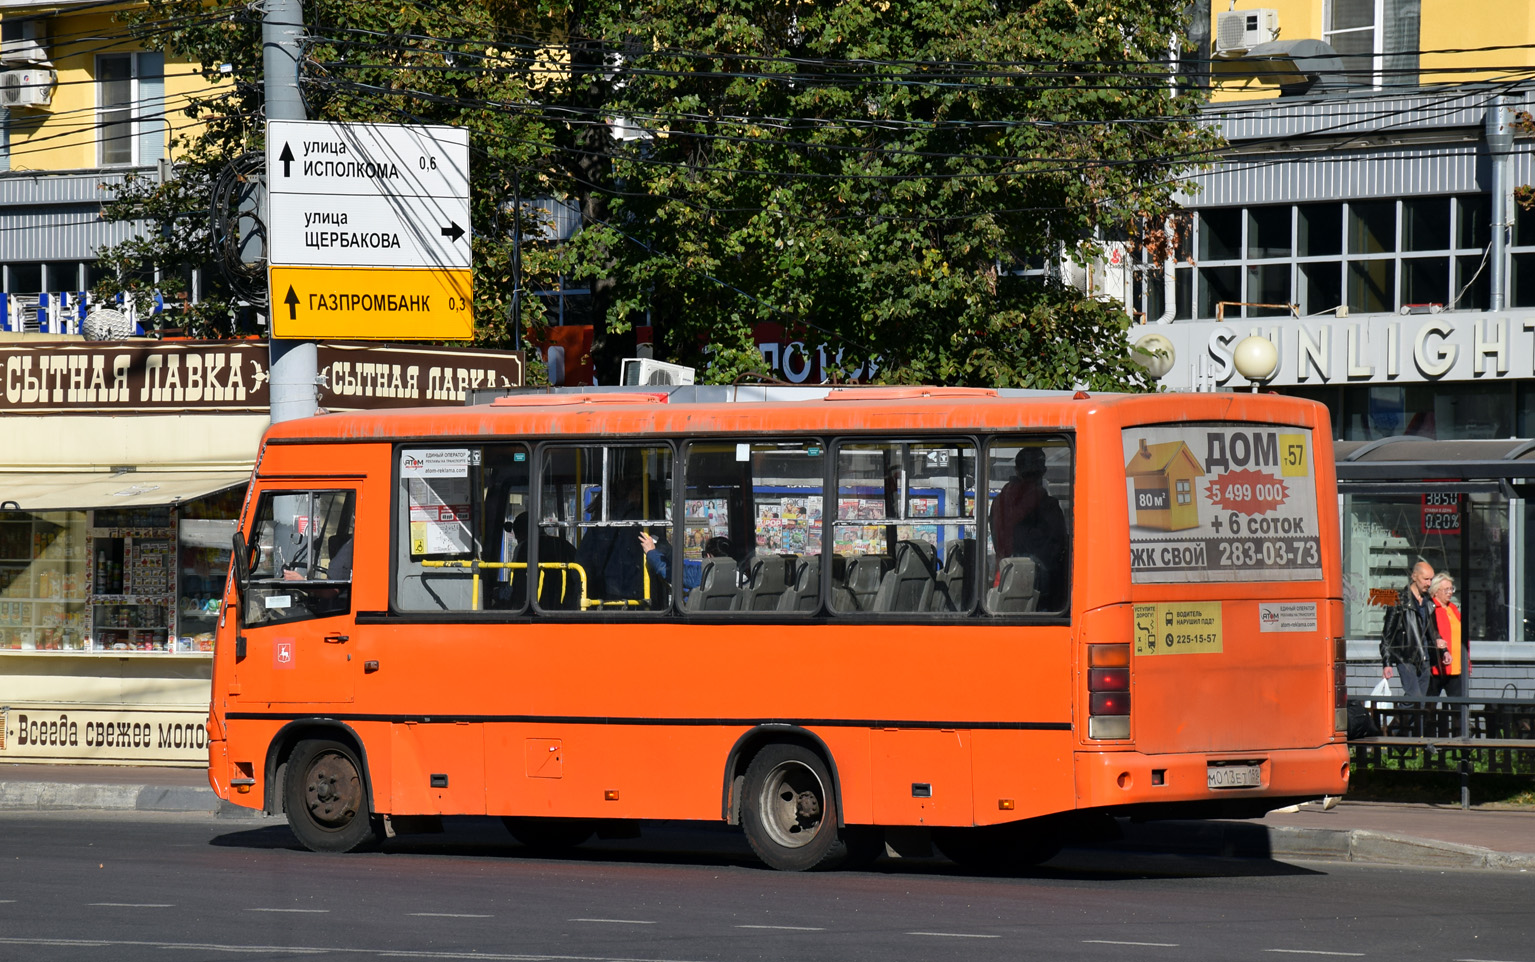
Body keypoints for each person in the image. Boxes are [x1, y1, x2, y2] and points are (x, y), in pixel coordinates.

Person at [987, 447, 1068, 609]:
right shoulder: (1047, 505)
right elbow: (1058, 549)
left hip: (1003, 579)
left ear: (1017, 470)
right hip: (1040, 590)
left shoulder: (998, 503)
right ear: (1043, 470)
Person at [1380, 560, 1437, 700]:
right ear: (1414, 576)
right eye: (1425, 579)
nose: (1429, 583)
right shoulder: (1399, 600)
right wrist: (1387, 663)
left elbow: (1432, 630)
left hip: (1425, 657)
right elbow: (1387, 635)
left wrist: (1440, 643)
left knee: (1421, 702)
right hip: (1406, 657)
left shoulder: (1428, 601)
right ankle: (1397, 721)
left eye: (1431, 579)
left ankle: (1404, 722)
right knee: (1414, 697)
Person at [640, 533, 731, 592]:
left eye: (704, 554)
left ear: (708, 556)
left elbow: (670, 572)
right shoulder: (741, 576)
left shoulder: (705, 574)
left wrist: (651, 552)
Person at [1427, 572, 1468, 698]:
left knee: (1457, 709)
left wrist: (1467, 661)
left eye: (1451, 589)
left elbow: (1463, 637)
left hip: (1456, 667)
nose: (1450, 592)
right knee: (1429, 706)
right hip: (1436, 668)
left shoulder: (1453, 608)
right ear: (1435, 591)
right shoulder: (1430, 608)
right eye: (1446, 589)